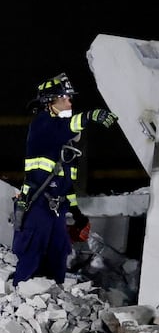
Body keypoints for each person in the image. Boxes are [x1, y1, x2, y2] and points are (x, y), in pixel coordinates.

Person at [12, 73, 118, 286]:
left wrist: (77, 213)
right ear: (49, 102)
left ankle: (55, 307)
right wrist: (90, 115)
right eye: (65, 98)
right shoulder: (42, 125)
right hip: (37, 206)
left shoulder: (63, 141)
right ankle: (22, 304)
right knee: (32, 257)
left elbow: (66, 181)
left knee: (58, 258)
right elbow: (66, 126)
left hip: (56, 210)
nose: (70, 102)